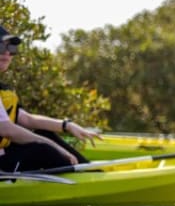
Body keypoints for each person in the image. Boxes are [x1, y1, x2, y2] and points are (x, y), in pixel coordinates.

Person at [0, 25, 102, 172]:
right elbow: (6, 129)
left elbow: (26, 119)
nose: (7, 53)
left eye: (11, 48)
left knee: (44, 135)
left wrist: (67, 125)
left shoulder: (3, 90)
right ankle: (89, 180)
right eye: (1, 47)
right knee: (43, 149)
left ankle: (93, 174)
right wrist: (53, 146)